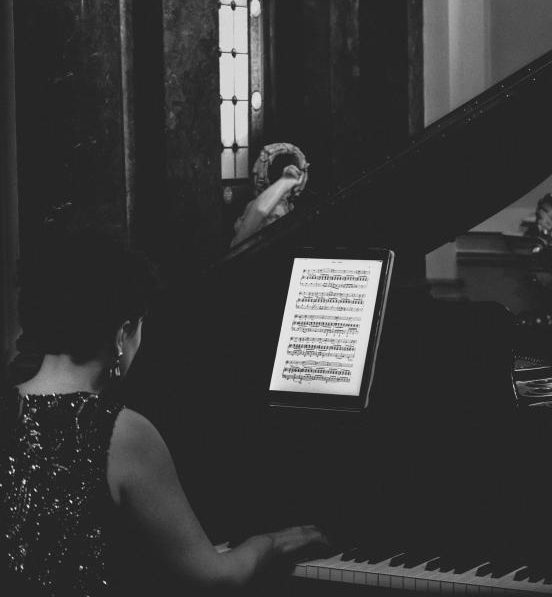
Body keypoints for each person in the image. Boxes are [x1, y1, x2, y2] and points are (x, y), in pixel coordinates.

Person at [1, 231, 328, 596]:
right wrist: (273, 542)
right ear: (122, 334)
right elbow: (217, 578)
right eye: (140, 326)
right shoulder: (121, 432)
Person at [232, 142, 309, 247]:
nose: (255, 171)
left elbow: (240, 241)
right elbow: (240, 242)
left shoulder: (281, 208)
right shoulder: (261, 204)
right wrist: (285, 182)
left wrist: (286, 181)